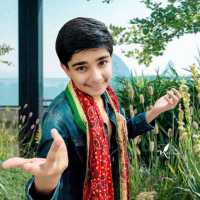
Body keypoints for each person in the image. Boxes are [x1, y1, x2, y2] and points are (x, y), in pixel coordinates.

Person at [1, 17, 181, 200]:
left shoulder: (108, 98)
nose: (95, 77)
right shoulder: (58, 118)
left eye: (102, 62)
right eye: (81, 68)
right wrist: (47, 180)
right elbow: (47, 172)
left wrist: (155, 111)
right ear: (66, 69)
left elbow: (121, 132)